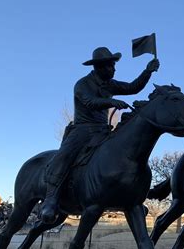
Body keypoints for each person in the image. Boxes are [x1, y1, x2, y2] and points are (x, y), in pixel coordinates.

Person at [40, 47, 159, 223]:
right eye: (111, 66)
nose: (114, 69)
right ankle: (51, 198)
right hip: (83, 129)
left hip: (102, 130)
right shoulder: (82, 84)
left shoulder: (110, 84)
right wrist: (111, 101)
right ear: (99, 67)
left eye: (113, 65)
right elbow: (89, 101)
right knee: (64, 156)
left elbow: (133, 87)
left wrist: (147, 71)